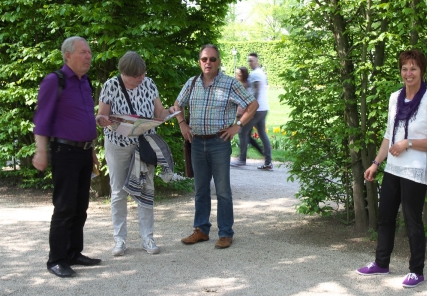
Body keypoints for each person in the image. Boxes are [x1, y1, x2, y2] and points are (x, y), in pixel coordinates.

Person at [356, 49, 427, 288]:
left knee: (412, 219)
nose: (409, 73)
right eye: (405, 68)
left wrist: (409, 143)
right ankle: (381, 263)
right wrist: (376, 163)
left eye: (413, 68)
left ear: (422, 71)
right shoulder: (395, 98)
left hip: (415, 169)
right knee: (385, 216)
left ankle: (416, 271)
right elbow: (389, 135)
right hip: (393, 168)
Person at [173, 44, 258, 249]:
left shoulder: (230, 84)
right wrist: (182, 123)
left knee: (223, 191)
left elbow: (253, 105)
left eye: (212, 59)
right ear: (199, 62)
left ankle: (226, 233)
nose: (208, 63)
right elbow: (177, 105)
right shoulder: (192, 83)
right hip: (196, 142)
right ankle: (201, 230)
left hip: (219, 142)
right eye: (204, 59)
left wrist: (237, 126)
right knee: (200, 190)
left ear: (218, 62)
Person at [32, 36, 101, 278]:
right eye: (83, 52)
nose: (88, 56)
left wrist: (91, 151)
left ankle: (73, 252)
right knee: (64, 207)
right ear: (68, 55)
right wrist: (41, 151)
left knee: (81, 207)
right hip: (64, 153)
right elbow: (42, 119)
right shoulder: (55, 81)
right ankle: (56, 260)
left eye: (89, 52)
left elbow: (85, 121)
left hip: (83, 152)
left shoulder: (85, 82)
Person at [96, 51, 174, 257]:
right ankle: (119, 239)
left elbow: (159, 113)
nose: (141, 78)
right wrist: (103, 120)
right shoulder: (111, 85)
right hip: (117, 144)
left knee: (147, 188)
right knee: (118, 191)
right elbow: (101, 115)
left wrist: (171, 112)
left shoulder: (149, 84)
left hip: (143, 144)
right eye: (136, 76)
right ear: (124, 73)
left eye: (143, 73)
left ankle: (148, 237)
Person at [231, 52, 273, 170]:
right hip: (263, 108)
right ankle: (268, 162)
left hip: (257, 110)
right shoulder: (260, 73)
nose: (250, 63)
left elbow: (256, 91)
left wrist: (251, 108)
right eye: (249, 61)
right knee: (262, 134)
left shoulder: (255, 74)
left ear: (256, 61)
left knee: (242, 131)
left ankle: (241, 160)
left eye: (252, 61)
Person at [235, 66, 264, 156]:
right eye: (237, 73)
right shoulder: (244, 84)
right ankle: (260, 151)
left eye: (239, 74)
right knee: (246, 135)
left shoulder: (244, 86)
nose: (237, 75)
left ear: (243, 75)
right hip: (246, 113)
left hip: (244, 113)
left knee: (243, 133)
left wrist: (239, 115)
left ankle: (242, 156)